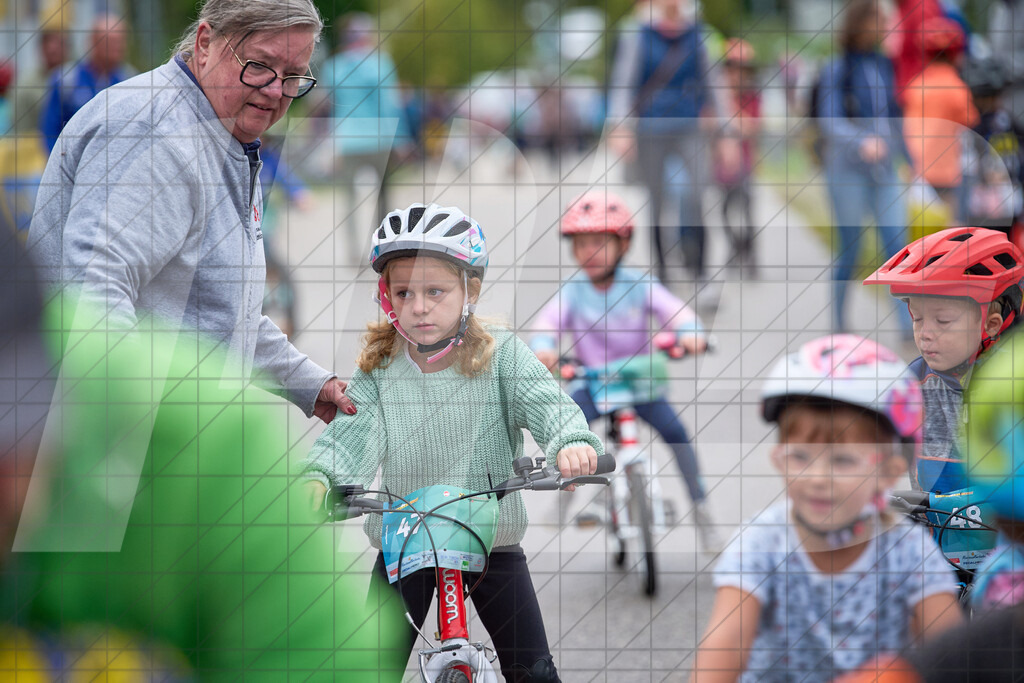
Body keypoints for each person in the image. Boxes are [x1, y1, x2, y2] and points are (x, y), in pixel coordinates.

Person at [0, 221, 406, 679]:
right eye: (404, 293)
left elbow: (323, 661)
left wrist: (127, 436)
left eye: (13, 441)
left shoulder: (207, 447)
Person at [301, 202, 603, 682]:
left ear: (470, 290)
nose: (419, 306)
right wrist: (320, 476)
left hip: (491, 541)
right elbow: (350, 437)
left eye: (435, 291)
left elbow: (548, 403)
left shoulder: (502, 354)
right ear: (387, 296)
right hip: (406, 540)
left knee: (535, 672)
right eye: (404, 292)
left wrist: (570, 441)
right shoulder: (379, 368)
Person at [27, 0, 355, 424]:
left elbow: (222, 313)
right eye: (259, 65)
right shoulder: (154, 133)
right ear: (204, 44)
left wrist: (312, 383)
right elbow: (93, 300)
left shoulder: (221, 128)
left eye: (293, 76)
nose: (276, 90)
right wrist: (156, 430)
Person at [692, 334, 961, 683]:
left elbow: (953, 657)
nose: (817, 478)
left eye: (842, 460)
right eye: (800, 456)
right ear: (777, 458)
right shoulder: (761, 543)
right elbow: (722, 654)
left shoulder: (909, 553)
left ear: (889, 471)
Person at [528, 190, 719, 550]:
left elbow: (675, 311)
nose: (589, 252)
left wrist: (691, 332)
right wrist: (544, 348)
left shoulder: (640, 286)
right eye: (581, 244)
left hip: (640, 383)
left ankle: (701, 508)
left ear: (623, 244)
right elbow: (547, 324)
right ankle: (567, 492)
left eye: (599, 243)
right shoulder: (572, 292)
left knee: (677, 434)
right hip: (593, 383)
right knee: (567, 430)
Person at [864, 226, 1024, 493]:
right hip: (929, 519)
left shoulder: (1013, 385)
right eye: (917, 318)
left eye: (943, 321)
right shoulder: (912, 383)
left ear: (991, 325)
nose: (925, 333)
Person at [607, 0, 731, 295]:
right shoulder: (637, 33)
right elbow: (624, 81)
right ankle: (662, 273)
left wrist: (727, 133)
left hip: (689, 126)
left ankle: (700, 271)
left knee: (697, 195)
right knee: (657, 201)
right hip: (650, 128)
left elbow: (715, 85)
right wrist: (620, 126)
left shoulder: (699, 34)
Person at [816, 0, 909, 335]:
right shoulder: (836, 67)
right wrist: (861, 141)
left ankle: (908, 327)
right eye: (879, 19)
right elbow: (829, 120)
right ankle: (839, 323)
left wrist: (910, 160)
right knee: (851, 248)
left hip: (885, 170)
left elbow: (894, 118)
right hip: (847, 172)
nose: (885, 26)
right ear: (860, 22)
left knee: (898, 246)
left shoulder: (885, 64)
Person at [320, 12, 411, 262]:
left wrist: (330, 143)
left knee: (350, 200)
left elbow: (328, 107)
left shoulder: (333, 66)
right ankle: (382, 250)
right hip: (379, 139)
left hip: (347, 141)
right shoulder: (380, 62)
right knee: (383, 199)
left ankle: (354, 253)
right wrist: (401, 139)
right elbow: (390, 104)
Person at [902, 17, 978, 221]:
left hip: (918, 169)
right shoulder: (957, 88)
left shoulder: (916, 86)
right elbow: (970, 122)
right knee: (952, 226)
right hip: (947, 173)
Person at [39, 14, 136, 152]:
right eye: (110, 41)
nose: (117, 47)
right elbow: (50, 129)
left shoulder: (131, 81)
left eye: (121, 41)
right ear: (93, 42)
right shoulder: (66, 80)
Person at [716, 37, 761, 276]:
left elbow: (752, 127)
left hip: (745, 161)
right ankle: (736, 248)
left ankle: (751, 255)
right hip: (720, 164)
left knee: (746, 210)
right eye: (732, 69)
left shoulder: (751, 96)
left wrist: (728, 114)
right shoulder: (717, 96)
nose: (737, 75)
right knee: (724, 211)